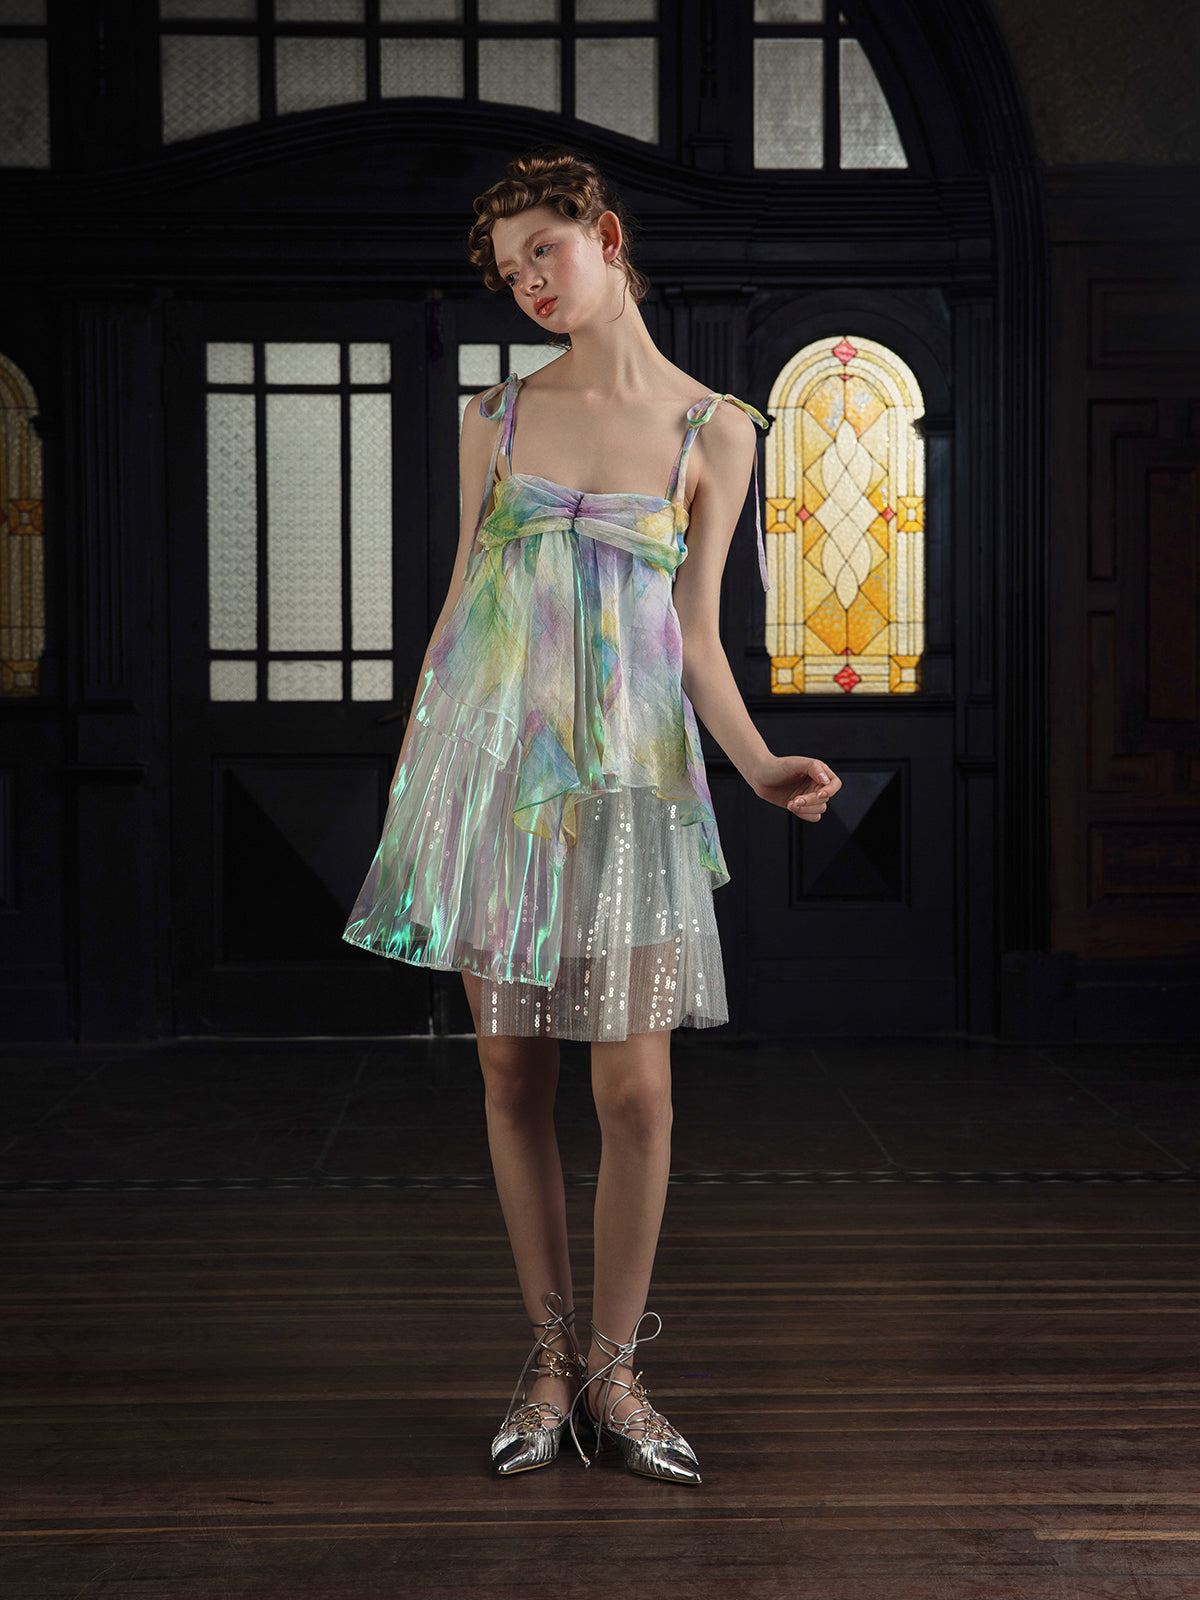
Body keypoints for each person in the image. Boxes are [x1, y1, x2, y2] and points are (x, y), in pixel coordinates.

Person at [344, 148, 840, 1483]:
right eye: (510, 273)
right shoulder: (496, 417)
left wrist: (757, 765)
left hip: (629, 792)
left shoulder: (715, 430)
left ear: (606, 238)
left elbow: (696, 637)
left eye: (543, 254)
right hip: (495, 783)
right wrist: (419, 777)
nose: (528, 285)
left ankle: (617, 1372)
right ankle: (549, 1357)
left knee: (637, 1094)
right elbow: (461, 604)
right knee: (511, 1075)